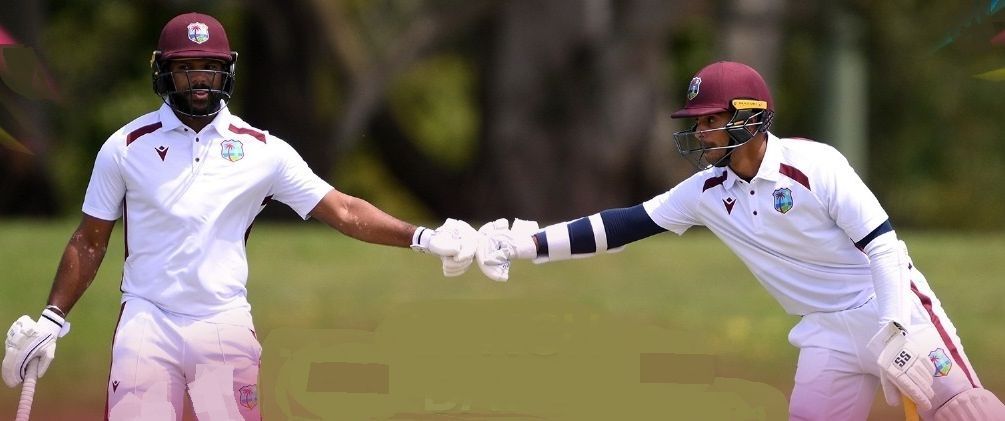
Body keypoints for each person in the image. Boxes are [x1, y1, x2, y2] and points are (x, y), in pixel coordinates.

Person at [1, 12, 480, 420]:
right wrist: (52, 317)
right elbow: (90, 240)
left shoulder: (262, 151)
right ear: (163, 72)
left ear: (227, 70)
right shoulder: (126, 147)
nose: (200, 80)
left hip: (223, 321)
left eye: (209, 67)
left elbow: (344, 210)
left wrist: (423, 237)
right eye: (186, 69)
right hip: (147, 319)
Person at [475, 61, 1005, 420]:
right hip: (824, 332)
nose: (700, 132)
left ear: (749, 118)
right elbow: (623, 225)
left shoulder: (815, 166)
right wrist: (525, 245)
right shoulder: (706, 190)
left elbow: (885, 246)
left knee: (967, 413)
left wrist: (893, 328)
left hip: (891, 310)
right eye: (697, 121)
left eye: (710, 120)